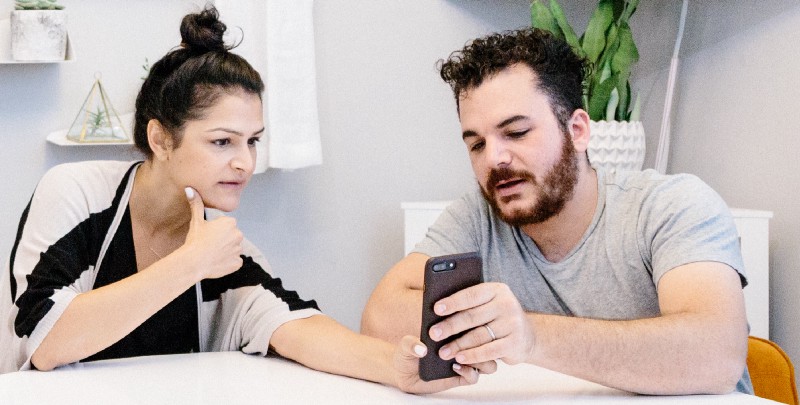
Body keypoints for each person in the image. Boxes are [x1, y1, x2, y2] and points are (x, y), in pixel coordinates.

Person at [0, 6, 495, 394]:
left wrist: (395, 366)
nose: (245, 162)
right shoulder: (76, 196)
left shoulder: (225, 254)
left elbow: (294, 324)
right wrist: (189, 264)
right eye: (222, 141)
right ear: (161, 138)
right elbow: (46, 341)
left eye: (253, 140)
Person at [361, 28, 752, 396]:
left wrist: (530, 335)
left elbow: (717, 355)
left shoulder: (671, 206)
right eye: (476, 144)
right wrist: (496, 324)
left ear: (578, 130)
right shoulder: (479, 216)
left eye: (516, 132)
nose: (494, 159)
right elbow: (378, 318)